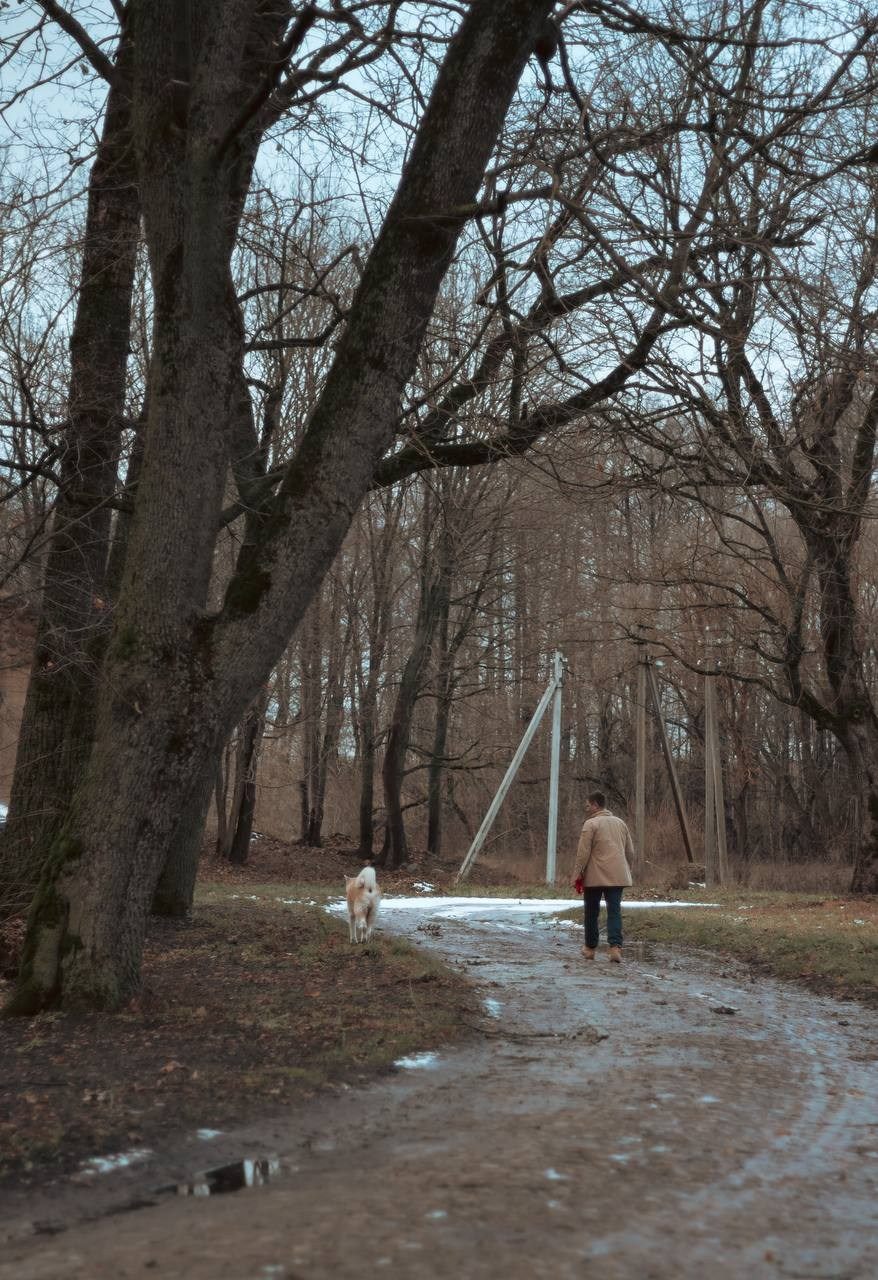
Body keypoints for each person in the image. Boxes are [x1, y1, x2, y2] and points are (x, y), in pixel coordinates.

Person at [575, 791, 634, 963]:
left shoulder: (590, 824)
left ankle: (590, 948)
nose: (586, 809)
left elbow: (583, 853)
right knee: (614, 911)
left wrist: (577, 873)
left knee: (591, 912)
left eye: (588, 805)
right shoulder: (621, 823)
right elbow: (630, 851)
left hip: (594, 876)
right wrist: (627, 868)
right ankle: (615, 948)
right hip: (617, 875)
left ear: (595, 805)